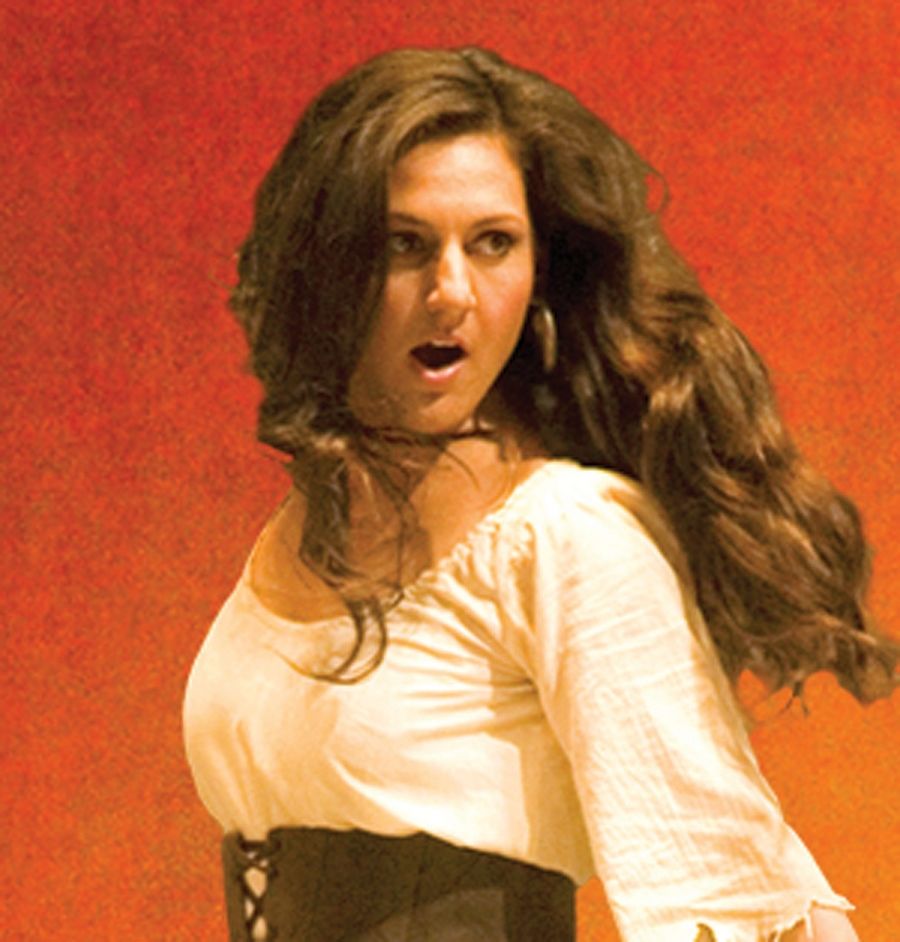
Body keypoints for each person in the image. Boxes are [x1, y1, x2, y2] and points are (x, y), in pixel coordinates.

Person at [183, 47, 898, 941]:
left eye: (493, 243)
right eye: (406, 244)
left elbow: (746, 896)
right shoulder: (299, 527)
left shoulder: (568, 536)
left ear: (538, 276)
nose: (451, 292)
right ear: (326, 264)